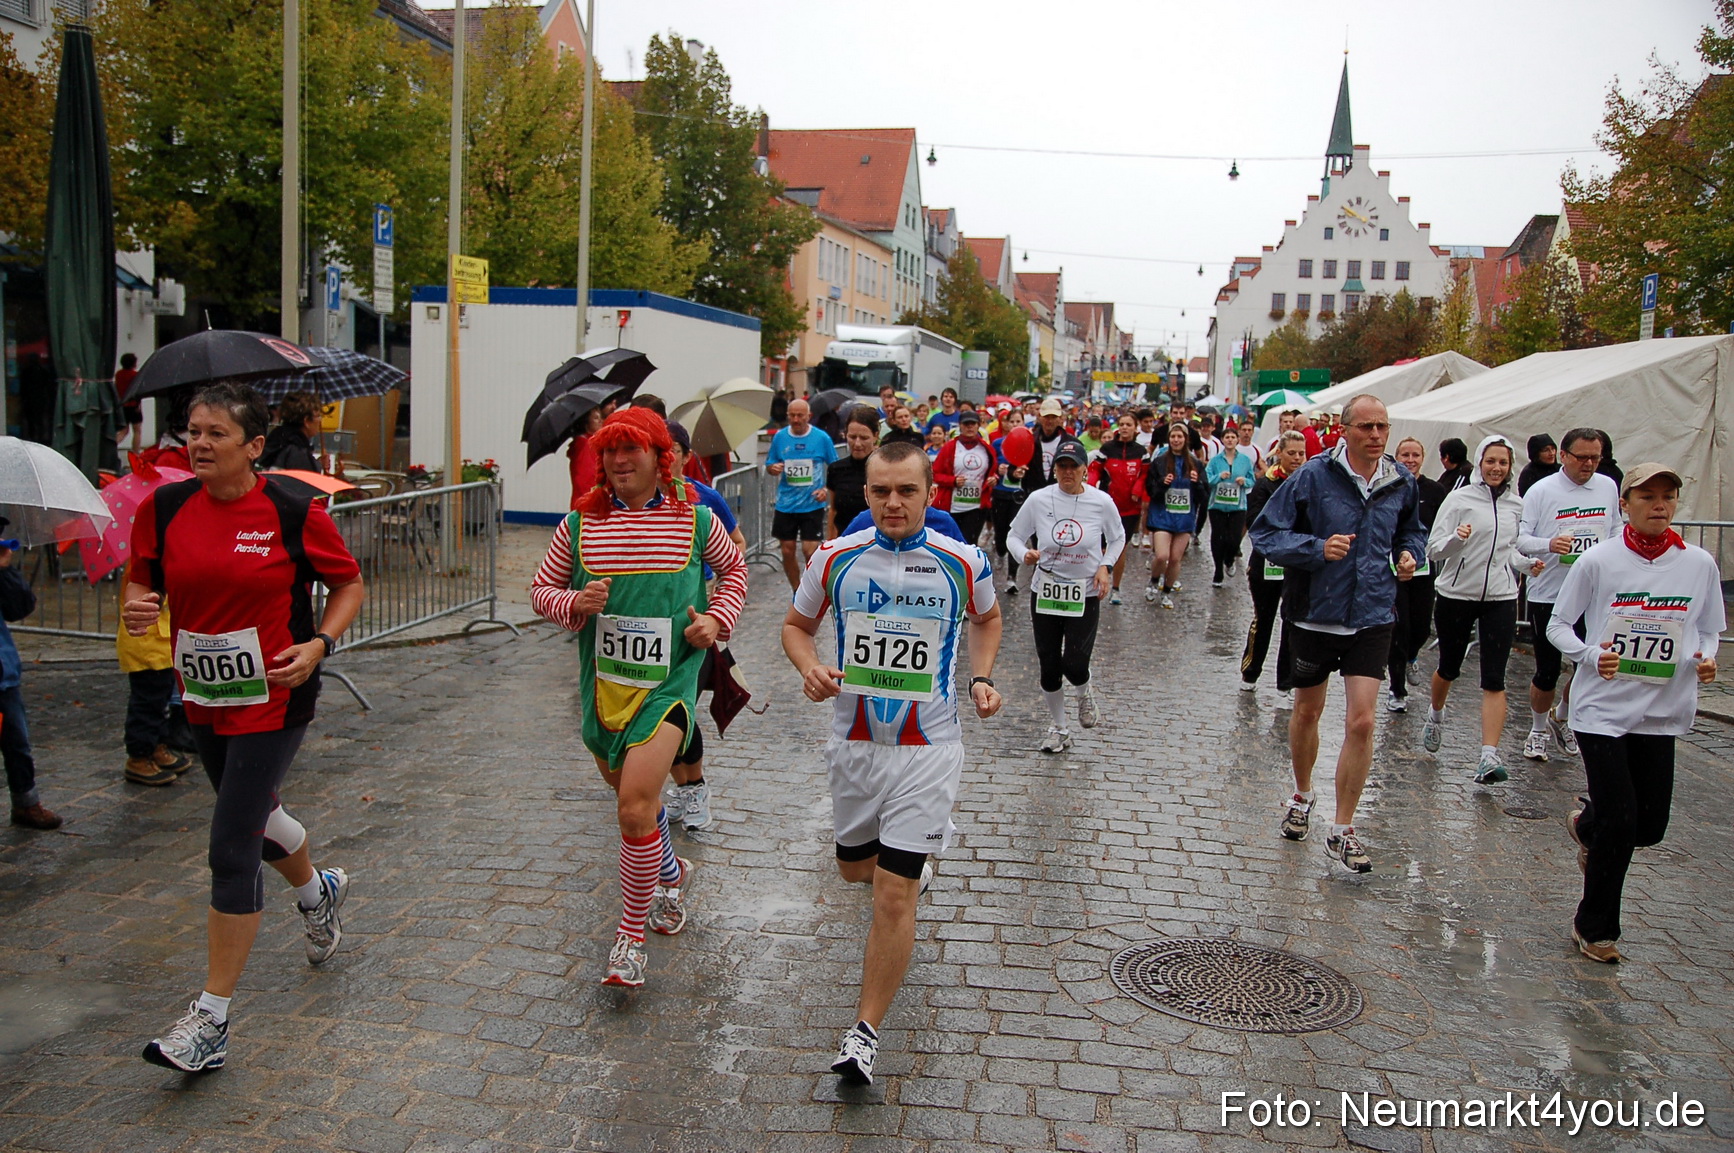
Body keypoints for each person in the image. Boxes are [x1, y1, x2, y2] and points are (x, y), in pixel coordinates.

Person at [123, 381, 364, 1072]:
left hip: (276, 693)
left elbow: (347, 583)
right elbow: (143, 579)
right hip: (202, 694)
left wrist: (319, 643)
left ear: (253, 446)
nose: (198, 443)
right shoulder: (164, 506)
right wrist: (142, 606)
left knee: (231, 844)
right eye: (192, 431)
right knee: (257, 817)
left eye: (214, 434)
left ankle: (211, 1021)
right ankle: (319, 891)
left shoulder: (293, 508)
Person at [781, 440, 1003, 1086]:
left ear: (931, 493)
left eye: (906, 490)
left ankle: (864, 1032)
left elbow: (987, 621)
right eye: (880, 491)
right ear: (867, 493)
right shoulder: (836, 557)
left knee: (891, 892)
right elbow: (794, 627)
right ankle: (908, 865)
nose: (893, 503)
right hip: (854, 744)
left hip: (930, 749)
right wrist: (810, 666)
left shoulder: (963, 560)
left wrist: (981, 676)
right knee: (856, 869)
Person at [529, 408, 748, 987]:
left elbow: (735, 573)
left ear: (659, 456)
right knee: (638, 805)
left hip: (668, 686)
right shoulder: (578, 525)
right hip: (603, 689)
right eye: (610, 452)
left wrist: (716, 621)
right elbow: (540, 590)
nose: (620, 462)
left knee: (632, 808)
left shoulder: (696, 519)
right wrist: (572, 604)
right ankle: (670, 875)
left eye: (632, 451)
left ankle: (628, 940)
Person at [1550, 463, 1722, 964]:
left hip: (1662, 709)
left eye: (1668, 496)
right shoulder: (1598, 561)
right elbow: (1560, 625)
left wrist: (1706, 658)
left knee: (1649, 826)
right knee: (1623, 822)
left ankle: (1586, 826)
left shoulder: (1699, 564)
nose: (1660, 505)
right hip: (1601, 707)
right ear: (1625, 503)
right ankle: (1595, 926)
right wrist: (1588, 655)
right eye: (1648, 496)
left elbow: (1710, 627)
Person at [1250, 394, 1426, 873]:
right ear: (1344, 430)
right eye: (1366, 426)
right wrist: (1315, 548)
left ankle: (1343, 828)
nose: (1375, 435)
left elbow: (1413, 532)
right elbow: (1266, 533)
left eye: (1382, 427)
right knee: (1308, 712)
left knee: (1363, 721)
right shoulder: (1312, 476)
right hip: (1313, 614)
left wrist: (1410, 556)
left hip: (1372, 613)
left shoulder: (1400, 481)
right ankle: (1302, 794)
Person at [1420, 436, 1529, 783]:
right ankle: (1435, 714)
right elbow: (1434, 550)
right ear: (1480, 464)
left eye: (1503, 462)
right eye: (1491, 461)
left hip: (1500, 596)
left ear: (1511, 467)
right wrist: (1457, 540)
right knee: (1449, 667)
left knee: (1495, 677)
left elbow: (1508, 550)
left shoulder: (1516, 505)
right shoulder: (1459, 498)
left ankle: (1488, 756)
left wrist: (1526, 565)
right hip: (1456, 593)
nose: (1497, 468)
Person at [662, 420, 749, 833]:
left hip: (690, 628)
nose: (662, 459)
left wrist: (715, 604)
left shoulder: (704, 498)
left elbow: (737, 547)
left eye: (669, 450)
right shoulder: (624, 503)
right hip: (640, 633)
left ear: (684, 455)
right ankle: (681, 785)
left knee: (680, 712)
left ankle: (694, 787)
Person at [1008, 440, 1123, 753]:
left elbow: (1117, 537)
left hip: (1084, 591)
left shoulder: (1101, 502)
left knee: (1073, 663)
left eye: (1074, 466)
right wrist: (1024, 554)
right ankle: (1059, 729)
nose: (1067, 472)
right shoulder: (1039, 499)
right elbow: (1014, 536)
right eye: (1062, 466)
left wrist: (1105, 567)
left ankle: (1084, 691)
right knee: (1048, 663)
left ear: (1085, 469)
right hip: (1045, 588)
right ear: (1054, 469)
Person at [1516, 428, 1622, 763]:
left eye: (1596, 457)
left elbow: (1617, 526)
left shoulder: (1606, 486)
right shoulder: (1541, 490)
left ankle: (1562, 716)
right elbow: (1520, 538)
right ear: (1563, 456)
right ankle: (1536, 730)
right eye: (1582, 458)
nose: (1589, 464)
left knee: (1587, 664)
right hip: (1550, 592)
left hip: (1593, 593)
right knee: (1547, 670)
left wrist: (1615, 548)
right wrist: (1549, 544)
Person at [1239, 431, 1305, 701]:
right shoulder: (1265, 484)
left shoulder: (1309, 482)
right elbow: (1255, 522)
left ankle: (1286, 682)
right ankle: (1250, 671)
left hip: (1297, 563)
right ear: (1280, 453)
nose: (1298, 459)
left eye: (1302, 453)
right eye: (1292, 453)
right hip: (1267, 563)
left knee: (1291, 621)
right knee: (1264, 618)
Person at [1, 524, 57, 830]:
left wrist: (5, 570)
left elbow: (19, 607)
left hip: (3, 675)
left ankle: (26, 802)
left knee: (16, 742)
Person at [1385, 438, 1447, 712]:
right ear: (1396, 457)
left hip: (1423, 568)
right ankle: (1396, 689)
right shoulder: (1388, 486)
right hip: (1393, 569)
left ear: (1423, 458)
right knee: (1399, 627)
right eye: (1405, 455)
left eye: (1415, 455)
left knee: (1421, 627)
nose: (1410, 460)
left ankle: (1411, 656)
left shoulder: (1435, 490)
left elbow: (1444, 524)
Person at [118, 591, 194, 787]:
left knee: (161, 702)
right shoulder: (140, 569)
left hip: (162, 646)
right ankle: (139, 757)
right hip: (147, 648)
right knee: (147, 704)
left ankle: (157, 746)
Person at [765, 398, 836, 592]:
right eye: (792, 416)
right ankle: (798, 591)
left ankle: (813, 590)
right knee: (787, 551)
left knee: (809, 550)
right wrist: (774, 468)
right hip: (786, 504)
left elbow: (835, 468)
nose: (796, 420)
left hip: (812, 503)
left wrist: (825, 490)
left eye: (800, 416)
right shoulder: (780, 437)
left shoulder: (821, 438)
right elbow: (770, 465)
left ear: (809, 417)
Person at [1143, 422, 1204, 607]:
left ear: (1186, 439)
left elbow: (1204, 495)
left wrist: (1197, 483)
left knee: (1176, 558)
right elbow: (1150, 490)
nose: (1176, 440)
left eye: (1180, 437)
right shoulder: (1160, 461)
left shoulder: (1195, 463)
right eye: (1173, 436)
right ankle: (1154, 581)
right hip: (1162, 515)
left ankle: (1166, 592)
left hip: (1184, 517)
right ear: (1168, 439)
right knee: (1162, 556)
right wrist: (1162, 483)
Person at [1088, 414, 1147, 604]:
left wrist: (1138, 489)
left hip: (1130, 508)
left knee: (1120, 547)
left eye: (1128, 425)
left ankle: (1116, 588)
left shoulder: (1141, 451)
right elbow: (1095, 469)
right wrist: (1090, 487)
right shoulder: (1107, 448)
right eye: (1121, 424)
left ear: (1135, 428)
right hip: (1107, 505)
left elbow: (1145, 475)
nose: (1124, 428)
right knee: (1102, 547)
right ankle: (1095, 581)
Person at [932, 409, 997, 549]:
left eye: (973, 424)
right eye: (966, 424)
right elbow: (935, 474)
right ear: (960, 426)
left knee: (969, 545)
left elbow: (992, 472)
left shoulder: (986, 449)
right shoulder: (949, 447)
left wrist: (993, 479)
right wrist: (952, 481)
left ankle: (968, 570)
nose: (969, 427)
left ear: (978, 425)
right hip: (953, 506)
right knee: (951, 544)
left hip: (976, 507)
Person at [1204, 426, 1255, 587]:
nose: (1230, 440)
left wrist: (1244, 482)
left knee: (1234, 539)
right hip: (1217, 505)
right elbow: (1207, 480)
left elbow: (1252, 480)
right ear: (1223, 440)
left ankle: (1229, 559)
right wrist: (1218, 477)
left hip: (1238, 506)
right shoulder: (1215, 461)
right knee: (1218, 537)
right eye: (1227, 437)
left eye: (1233, 437)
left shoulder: (1245, 460)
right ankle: (1218, 570)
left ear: (1237, 440)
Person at [989, 425, 1029, 593]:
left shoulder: (1028, 444)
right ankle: (1000, 551)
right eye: (1010, 420)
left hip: (1019, 496)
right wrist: (998, 470)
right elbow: (991, 464)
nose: (1014, 424)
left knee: (1017, 533)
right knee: (1001, 532)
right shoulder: (997, 443)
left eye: (1018, 420)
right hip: (1000, 494)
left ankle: (1012, 577)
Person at [827, 409, 878, 538]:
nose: (857, 443)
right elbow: (833, 510)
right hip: (845, 540)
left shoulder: (886, 470)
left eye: (864, 438)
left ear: (875, 436)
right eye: (852, 437)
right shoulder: (836, 469)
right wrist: (830, 544)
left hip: (877, 542)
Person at [259, 392, 321, 473]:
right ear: (307, 421)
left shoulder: (276, 439)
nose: (320, 420)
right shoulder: (298, 452)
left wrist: (317, 463)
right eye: (318, 416)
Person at [1022, 399, 1070, 493]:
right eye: (1047, 416)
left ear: (1060, 418)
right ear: (1039, 417)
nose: (1050, 421)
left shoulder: (1070, 443)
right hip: (1034, 495)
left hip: (1061, 495)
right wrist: (1015, 473)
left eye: (1054, 417)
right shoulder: (1030, 441)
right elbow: (1016, 468)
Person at [566, 406, 606, 511]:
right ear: (586, 423)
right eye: (596, 418)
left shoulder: (591, 442)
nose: (601, 421)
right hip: (587, 505)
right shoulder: (584, 444)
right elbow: (586, 478)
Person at [115, 352, 143, 452]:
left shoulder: (118, 374)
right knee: (137, 431)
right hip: (133, 405)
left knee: (123, 431)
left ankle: (112, 447)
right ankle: (136, 454)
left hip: (122, 406)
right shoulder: (135, 375)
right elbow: (137, 391)